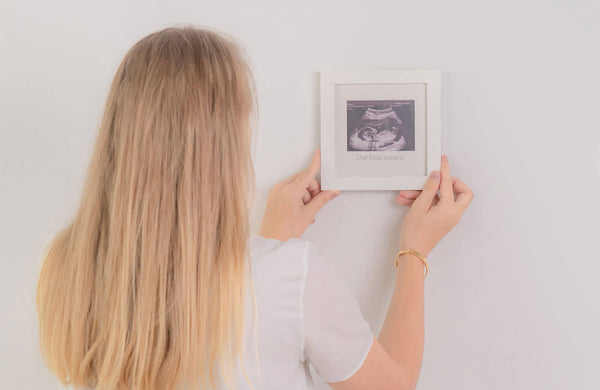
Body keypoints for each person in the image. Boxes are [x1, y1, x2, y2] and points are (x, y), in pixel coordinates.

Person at [36, 25, 473, 390]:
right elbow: (391, 385)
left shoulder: (64, 264)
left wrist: (271, 243)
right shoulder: (288, 275)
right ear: (223, 146)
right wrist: (414, 251)